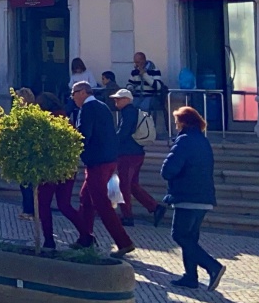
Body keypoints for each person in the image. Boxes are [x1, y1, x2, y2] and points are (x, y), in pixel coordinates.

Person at [161, 106, 225, 290]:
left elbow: (168, 170)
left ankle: (212, 266)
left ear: (184, 122)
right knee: (190, 238)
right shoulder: (203, 141)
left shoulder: (184, 141)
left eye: (177, 121)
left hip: (187, 195)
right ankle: (190, 277)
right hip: (204, 196)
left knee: (179, 235)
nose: (175, 125)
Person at [70, 80, 135, 257]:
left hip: (97, 162)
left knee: (101, 203)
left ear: (82, 92)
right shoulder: (102, 106)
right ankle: (85, 238)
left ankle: (124, 242)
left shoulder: (87, 108)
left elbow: (84, 135)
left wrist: (72, 147)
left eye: (73, 94)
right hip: (108, 159)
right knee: (85, 198)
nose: (72, 98)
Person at [35, 93, 88, 249]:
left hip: (50, 169)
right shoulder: (66, 120)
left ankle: (49, 241)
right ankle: (86, 235)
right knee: (65, 205)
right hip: (68, 168)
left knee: (43, 205)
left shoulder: (46, 122)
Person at [110, 88, 164, 227]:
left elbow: (123, 133)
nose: (116, 101)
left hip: (127, 154)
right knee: (132, 185)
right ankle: (154, 207)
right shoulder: (135, 112)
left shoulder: (128, 113)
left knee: (124, 185)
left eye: (118, 99)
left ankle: (127, 216)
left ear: (127, 100)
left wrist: (111, 144)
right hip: (137, 152)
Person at [15, 88, 37, 220]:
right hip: (22, 152)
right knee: (24, 184)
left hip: (28, 153)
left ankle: (29, 211)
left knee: (27, 184)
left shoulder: (29, 114)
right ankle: (27, 209)